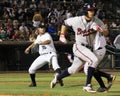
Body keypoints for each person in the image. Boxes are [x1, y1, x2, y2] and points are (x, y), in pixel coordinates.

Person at [50, 3, 109, 93]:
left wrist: (101, 30)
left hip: (89, 48)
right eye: (90, 10)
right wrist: (62, 35)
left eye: (93, 10)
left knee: (73, 69)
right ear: (85, 11)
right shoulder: (76, 20)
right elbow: (64, 22)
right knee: (94, 60)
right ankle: (87, 85)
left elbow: (106, 33)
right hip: (79, 46)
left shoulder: (97, 21)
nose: (92, 12)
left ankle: (58, 77)